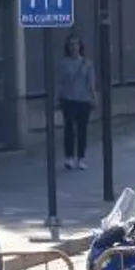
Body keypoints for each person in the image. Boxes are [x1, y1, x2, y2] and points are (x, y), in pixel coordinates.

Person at [57, 36, 96, 170]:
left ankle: (81, 157)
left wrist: (93, 97)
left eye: (76, 44)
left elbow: (91, 82)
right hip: (68, 99)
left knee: (82, 129)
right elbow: (60, 82)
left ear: (80, 46)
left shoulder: (87, 63)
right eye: (71, 45)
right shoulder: (64, 63)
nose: (74, 47)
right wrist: (59, 97)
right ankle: (69, 157)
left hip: (83, 99)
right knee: (69, 128)